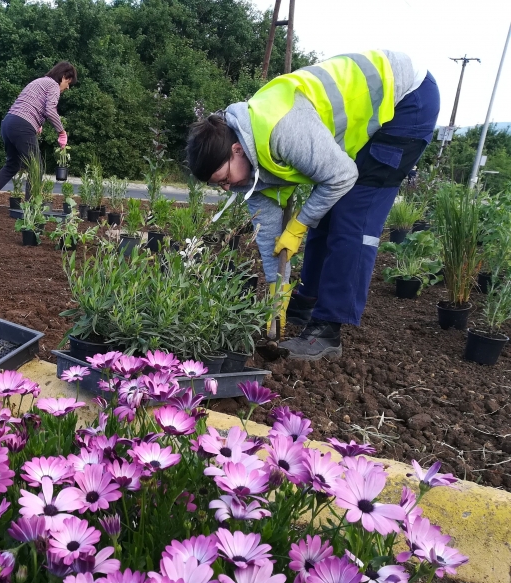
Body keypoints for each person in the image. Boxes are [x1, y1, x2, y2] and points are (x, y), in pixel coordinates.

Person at [186, 50, 440, 360]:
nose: (226, 187)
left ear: (237, 150)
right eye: (218, 185)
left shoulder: (281, 130)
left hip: (407, 98)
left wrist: (299, 224)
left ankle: (328, 330)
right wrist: (275, 294)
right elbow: (270, 241)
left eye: (222, 178)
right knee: (325, 212)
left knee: (352, 216)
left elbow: (342, 176)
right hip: (382, 106)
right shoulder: (249, 175)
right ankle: (305, 300)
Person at [0, 61, 76, 212]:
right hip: (22, 125)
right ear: (63, 77)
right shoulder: (54, 86)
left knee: (13, 165)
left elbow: (30, 103)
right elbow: (50, 109)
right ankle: (31, 208)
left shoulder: (39, 82)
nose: (67, 87)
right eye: (68, 82)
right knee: (36, 168)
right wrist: (61, 131)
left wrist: (37, 123)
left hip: (9, 122)